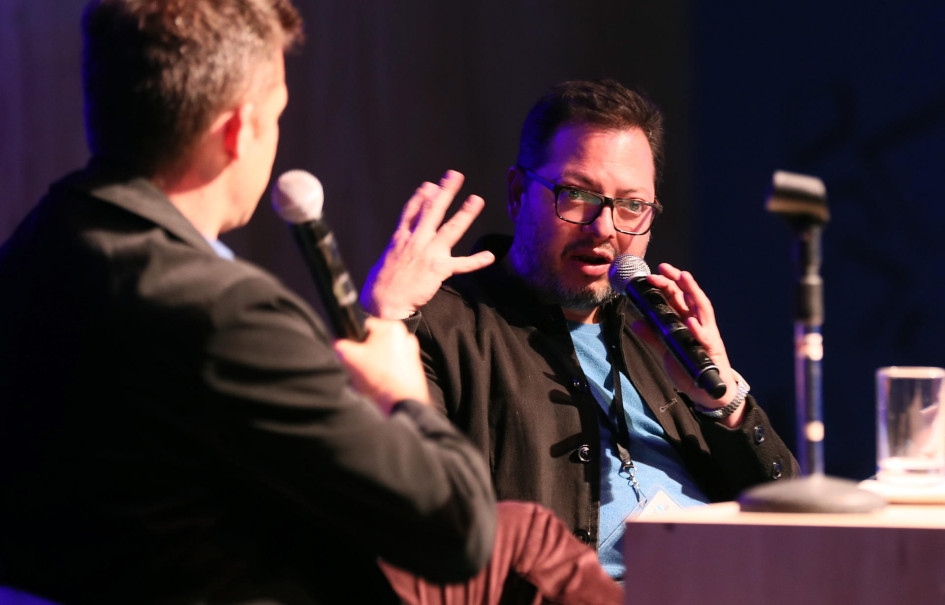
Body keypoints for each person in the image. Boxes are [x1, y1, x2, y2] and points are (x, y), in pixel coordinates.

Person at [361, 79, 801, 580]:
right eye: (576, 195)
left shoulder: (657, 330)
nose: (605, 228)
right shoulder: (441, 325)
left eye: (632, 205)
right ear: (518, 194)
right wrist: (384, 322)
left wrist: (723, 403)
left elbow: (793, 519)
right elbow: (399, 506)